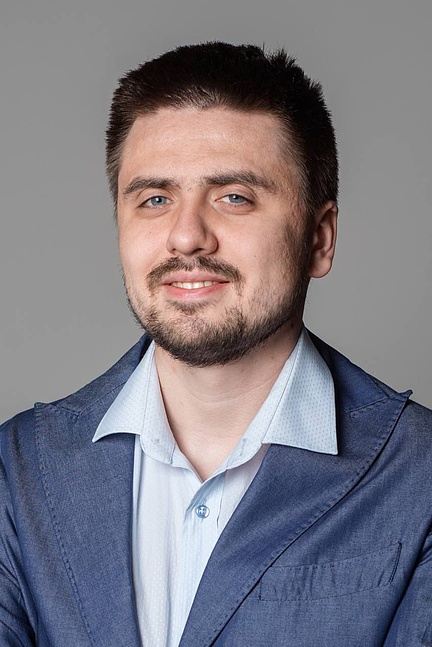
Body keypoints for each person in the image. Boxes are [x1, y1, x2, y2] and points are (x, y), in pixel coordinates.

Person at [1, 42, 431, 647]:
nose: (186, 236)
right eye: (155, 199)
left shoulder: (420, 476)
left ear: (319, 238)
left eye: (234, 197)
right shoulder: (19, 469)